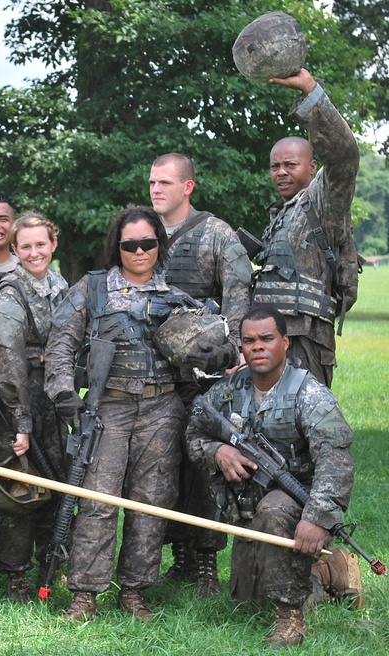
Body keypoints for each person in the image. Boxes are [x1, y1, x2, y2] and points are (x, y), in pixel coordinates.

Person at [45, 207, 191, 622]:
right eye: (130, 244)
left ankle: (134, 591)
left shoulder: (176, 298)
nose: (140, 251)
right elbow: (59, 348)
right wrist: (65, 396)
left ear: (159, 244)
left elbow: (203, 356)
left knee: (151, 501)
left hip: (162, 407)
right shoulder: (92, 290)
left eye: (148, 242)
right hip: (108, 406)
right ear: (117, 246)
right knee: (97, 499)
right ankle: (86, 594)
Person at [186, 305, 361, 648]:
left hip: (294, 508)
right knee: (248, 601)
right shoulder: (227, 390)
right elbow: (194, 430)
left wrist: (317, 518)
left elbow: (336, 460)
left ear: (285, 342)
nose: (258, 347)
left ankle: (290, 621)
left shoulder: (309, 395)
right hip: (247, 513)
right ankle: (328, 570)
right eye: (249, 341)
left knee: (276, 510)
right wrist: (217, 452)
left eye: (267, 339)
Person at [149, 152, 253, 595]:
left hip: (206, 377)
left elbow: (238, 295)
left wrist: (236, 357)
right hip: (153, 373)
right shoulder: (143, 234)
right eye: (152, 182)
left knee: (204, 466)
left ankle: (207, 560)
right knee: (163, 464)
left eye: (165, 183)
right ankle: (180, 556)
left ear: (187, 187)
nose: (156, 190)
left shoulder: (216, 234)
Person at [252, 68, 360, 388]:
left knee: (302, 431)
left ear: (312, 168)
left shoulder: (323, 202)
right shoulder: (281, 215)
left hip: (304, 343)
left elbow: (344, 156)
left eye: (290, 164)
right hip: (270, 341)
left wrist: (310, 91)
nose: (281, 172)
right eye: (275, 166)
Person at [0, 212, 69, 601]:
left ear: (53, 244)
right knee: (15, 490)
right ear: (15, 250)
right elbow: (7, 359)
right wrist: (21, 421)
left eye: (41, 244)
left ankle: (53, 563)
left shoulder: (60, 284)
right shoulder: (10, 293)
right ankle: (15, 575)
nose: (35, 252)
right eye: (27, 246)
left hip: (54, 400)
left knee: (57, 479)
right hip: (16, 401)